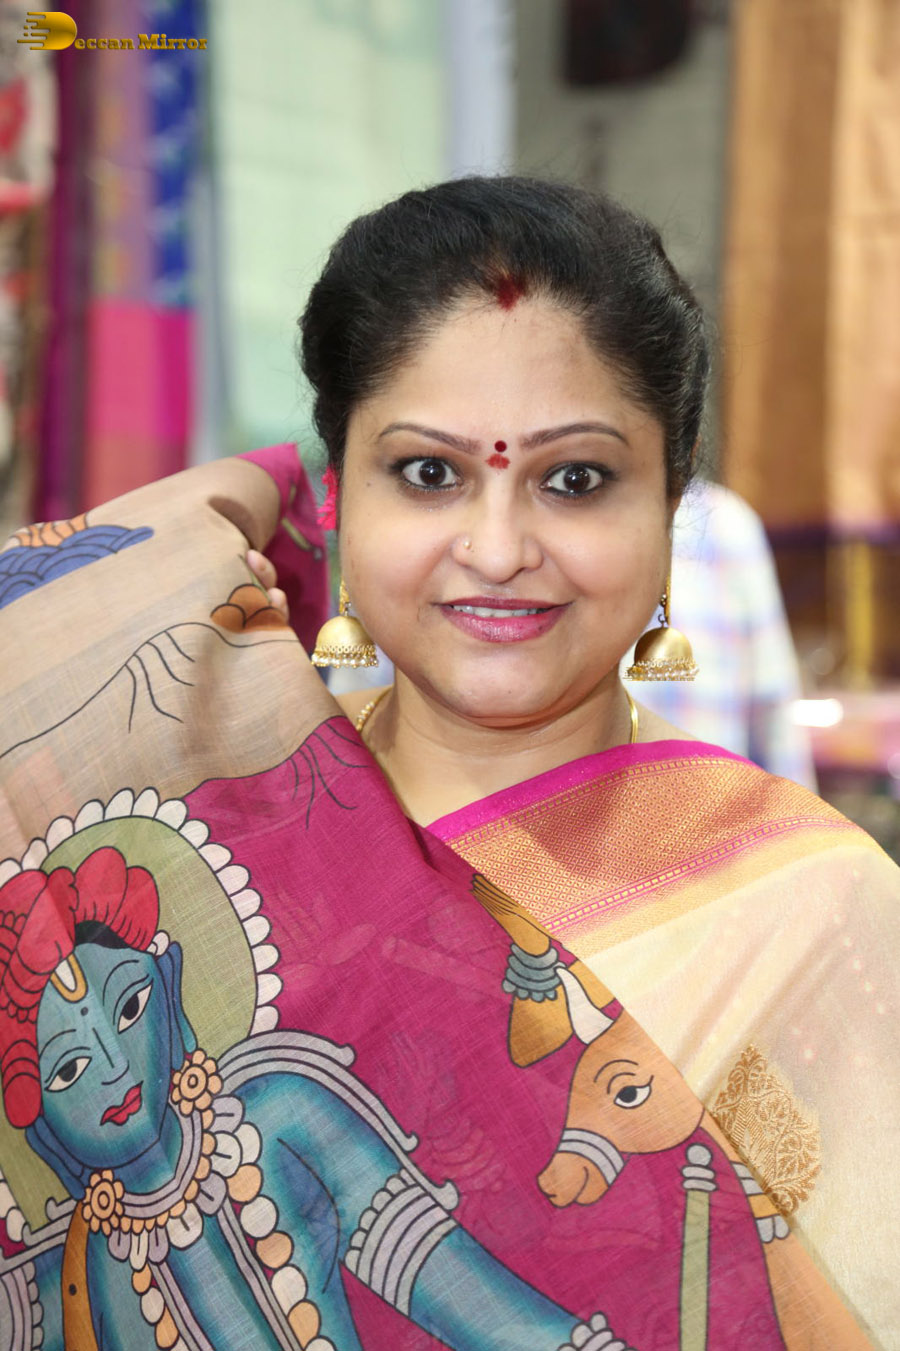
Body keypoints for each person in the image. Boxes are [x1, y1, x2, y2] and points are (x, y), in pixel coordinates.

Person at [0, 176, 895, 1348]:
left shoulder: (811, 907)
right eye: (429, 473)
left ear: (671, 503)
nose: (499, 547)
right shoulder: (235, 834)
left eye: (575, 479)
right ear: (336, 499)